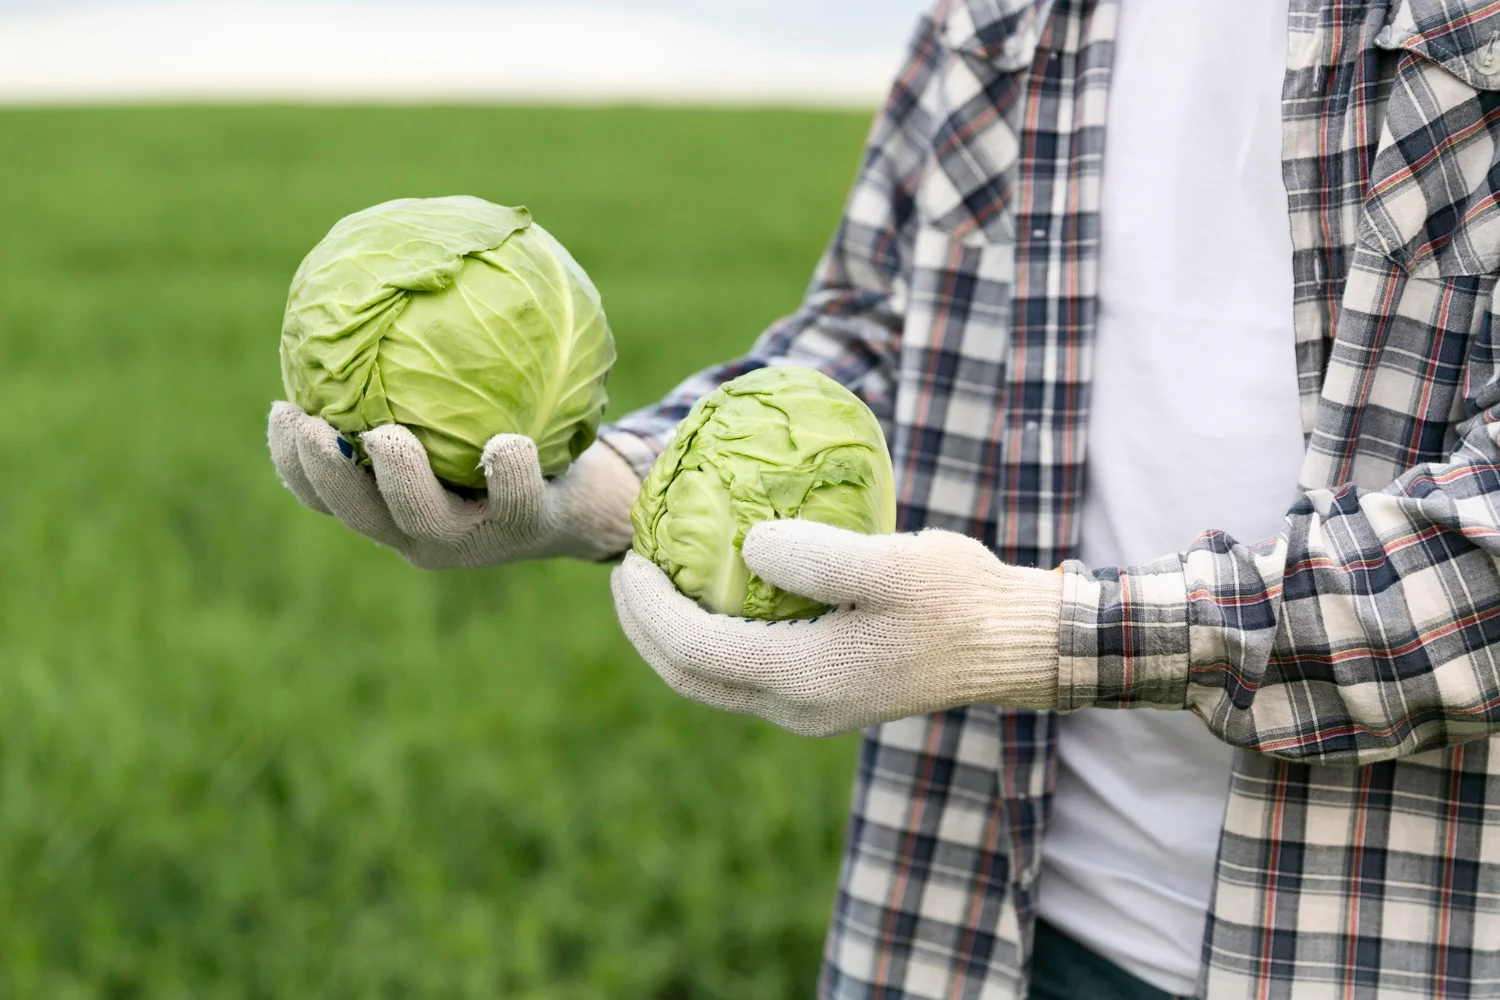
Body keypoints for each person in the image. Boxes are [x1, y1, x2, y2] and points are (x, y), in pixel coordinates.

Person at [268, 0, 1500, 995]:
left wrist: (1028, 634)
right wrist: (611, 484)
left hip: (1375, 941)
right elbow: (879, 323)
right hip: (965, 919)